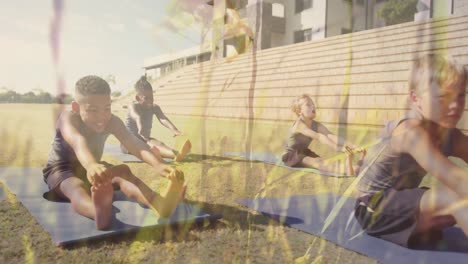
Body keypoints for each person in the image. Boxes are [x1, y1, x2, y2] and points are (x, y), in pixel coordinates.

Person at [354, 53, 468, 248]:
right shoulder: (410, 132)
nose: (456, 106)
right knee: (456, 200)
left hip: (403, 201)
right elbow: (458, 181)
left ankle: (417, 228)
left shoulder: (451, 134)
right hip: (372, 209)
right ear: (416, 99)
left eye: (461, 95)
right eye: (444, 97)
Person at [42, 75, 185, 230]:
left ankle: (159, 203)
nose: (102, 116)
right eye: (92, 110)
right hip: (62, 169)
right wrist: (91, 165)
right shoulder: (68, 118)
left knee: (123, 171)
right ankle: (97, 212)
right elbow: (78, 141)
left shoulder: (112, 121)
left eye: (107, 108)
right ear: (76, 107)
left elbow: (133, 143)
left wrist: (158, 164)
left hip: (94, 168)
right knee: (75, 187)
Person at [281, 94, 366, 176]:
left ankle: (354, 168)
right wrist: (338, 148)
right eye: (308, 105)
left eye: (313, 104)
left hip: (304, 152)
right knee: (316, 163)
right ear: (300, 111)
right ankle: (348, 171)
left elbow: (330, 135)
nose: (313, 106)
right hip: (291, 155)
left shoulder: (316, 125)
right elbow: (319, 136)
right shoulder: (299, 125)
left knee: (325, 162)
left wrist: (354, 146)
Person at [121, 76, 191, 162]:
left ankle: (177, 153)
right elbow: (136, 116)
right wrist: (140, 126)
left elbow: (163, 119)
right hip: (128, 142)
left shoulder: (155, 107)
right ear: (137, 98)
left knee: (158, 143)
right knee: (149, 145)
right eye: (146, 98)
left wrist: (174, 129)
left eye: (152, 97)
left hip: (145, 139)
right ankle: (174, 155)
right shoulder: (133, 106)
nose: (150, 101)